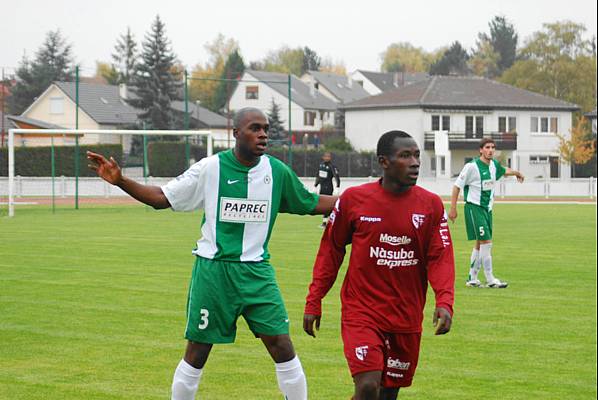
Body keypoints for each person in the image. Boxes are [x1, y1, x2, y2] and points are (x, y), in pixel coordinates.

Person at [87, 107, 337, 400]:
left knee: (282, 345)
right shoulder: (210, 168)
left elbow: (311, 201)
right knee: (197, 352)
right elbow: (161, 198)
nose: (263, 135)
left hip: (257, 272)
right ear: (235, 133)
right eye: (254, 128)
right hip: (214, 272)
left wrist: (361, 200)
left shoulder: (275, 171)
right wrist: (121, 181)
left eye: (266, 129)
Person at [304, 130, 455, 400]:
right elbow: (331, 250)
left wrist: (444, 300)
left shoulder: (431, 205)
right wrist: (314, 299)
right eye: (405, 156)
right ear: (384, 162)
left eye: (417, 155)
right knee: (367, 386)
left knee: (386, 395)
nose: (415, 162)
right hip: (362, 311)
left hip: (406, 315)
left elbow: (440, 257)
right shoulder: (354, 200)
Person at [448, 137, 524, 289]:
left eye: (492, 147)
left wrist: (516, 173)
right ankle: (490, 279)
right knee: (487, 243)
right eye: (487, 147)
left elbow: (504, 170)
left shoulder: (494, 165)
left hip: (487, 209)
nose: (490, 150)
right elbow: (457, 186)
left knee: (480, 244)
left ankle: (472, 278)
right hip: (474, 208)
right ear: (481, 150)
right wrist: (453, 208)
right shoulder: (471, 167)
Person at [314, 151, 340, 227]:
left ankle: (328, 222)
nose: (327, 158)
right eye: (325, 156)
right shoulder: (321, 165)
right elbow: (319, 176)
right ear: (323, 157)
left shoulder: (332, 166)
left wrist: (337, 187)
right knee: (322, 205)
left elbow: (336, 177)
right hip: (322, 187)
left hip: (328, 187)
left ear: (330, 158)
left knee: (327, 205)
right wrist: (315, 185)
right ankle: (325, 222)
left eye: (328, 156)